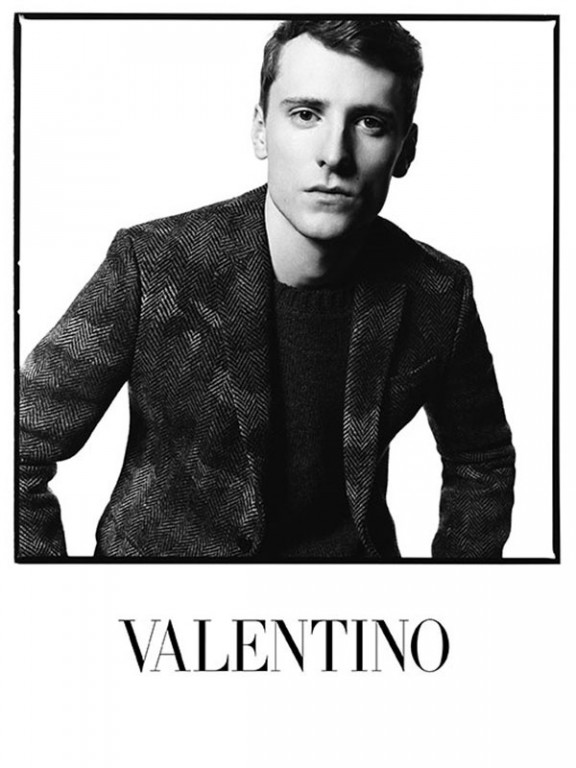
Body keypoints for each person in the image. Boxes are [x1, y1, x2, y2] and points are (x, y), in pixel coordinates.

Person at [19, 19, 515, 560]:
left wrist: (450, 593)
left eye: (370, 122)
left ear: (405, 150)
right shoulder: (155, 263)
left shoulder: (438, 293)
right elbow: (18, 442)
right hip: (168, 603)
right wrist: (55, 594)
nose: (334, 154)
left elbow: (481, 461)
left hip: (349, 605)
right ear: (260, 129)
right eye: (305, 114)